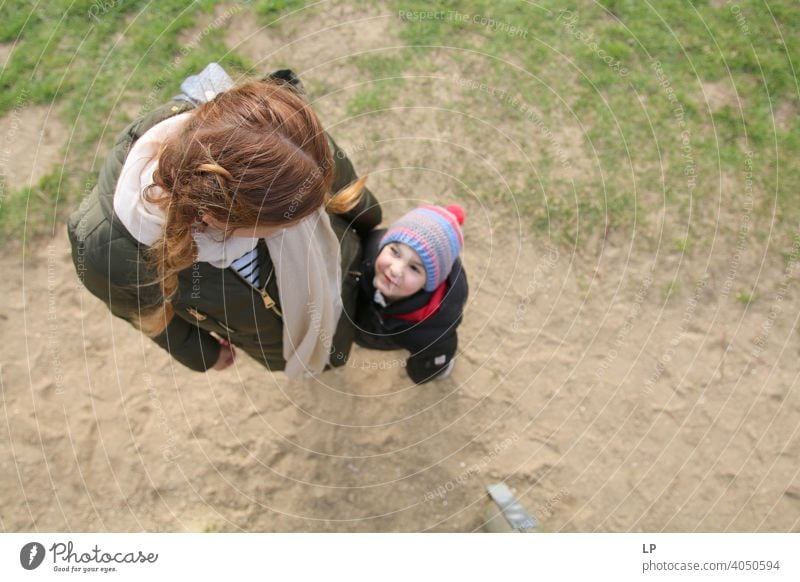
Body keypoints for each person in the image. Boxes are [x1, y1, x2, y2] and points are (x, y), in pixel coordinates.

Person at [67, 65, 381, 378]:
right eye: (282, 225)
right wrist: (203, 355)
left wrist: (370, 223)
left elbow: (339, 181)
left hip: (344, 270)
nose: (307, 221)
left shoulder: (268, 123)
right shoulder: (105, 252)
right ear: (212, 218)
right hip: (269, 336)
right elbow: (148, 314)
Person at [354, 204, 468, 383]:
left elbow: (436, 354)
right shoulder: (368, 248)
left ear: (428, 284)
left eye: (414, 268)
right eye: (395, 252)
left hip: (389, 334)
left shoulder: (433, 328)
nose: (395, 269)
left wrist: (429, 370)